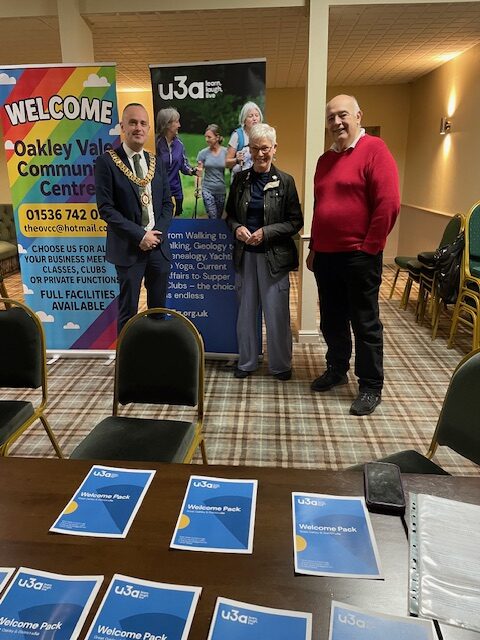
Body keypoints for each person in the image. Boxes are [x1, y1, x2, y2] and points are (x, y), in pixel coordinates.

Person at [306, 94, 400, 416]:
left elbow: (389, 204)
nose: (337, 122)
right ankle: (336, 369)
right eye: (331, 117)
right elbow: (320, 208)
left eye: (342, 115)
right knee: (332, 320)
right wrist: (314, 247)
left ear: (358, 116)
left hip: (359, 256)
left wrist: (370, 247)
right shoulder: (325, 160)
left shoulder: (375, 150)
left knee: (364, 322)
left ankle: (370, 385)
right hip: (326, 257)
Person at [226, 123, 303, 380]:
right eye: (255, 148)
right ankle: (247, 362)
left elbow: (295, 222)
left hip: (274, 259)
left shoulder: (286, 181)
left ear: (274, 148)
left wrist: (266, 232)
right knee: (246, 313)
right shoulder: (240, 180)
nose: (260, 154)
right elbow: (230, 216)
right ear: (249, 149)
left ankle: (281, 365)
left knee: (277, 314)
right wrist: (237, 228)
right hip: (245, 257)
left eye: (265, 148)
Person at [95, 103, 173, 333]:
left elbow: (167, 204)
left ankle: (155, 351)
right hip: (128, 248)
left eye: (142, 123)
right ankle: (128, 356)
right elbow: (106, 209)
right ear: (122, 127)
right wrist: (140, 236)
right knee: (128, 312)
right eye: (132, 123)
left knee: (158, 311)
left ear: (148, 128)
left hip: (158, 248)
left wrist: (155, 236)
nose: (138, 128)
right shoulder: (107, 162)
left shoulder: (156, 162)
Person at [155, 107, 198, 216]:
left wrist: (193, 171)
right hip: (160, 191)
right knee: (162, 220)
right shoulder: (156, 144)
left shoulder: (179, 144)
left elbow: (183, 165)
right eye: (177, 122)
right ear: (167, 124)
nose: (179, 125)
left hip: (176, 191)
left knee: (176, 220)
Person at [225, 101, 263, 181]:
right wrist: (236, 160)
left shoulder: (263, 135)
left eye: (257, 115)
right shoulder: (237, 135)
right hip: (240, 181)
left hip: (258, 179)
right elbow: (226, 163)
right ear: (244, 119)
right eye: (250, 116)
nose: (254, 119)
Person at [196, 124, 227, 219]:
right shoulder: (203, 153)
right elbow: (198, 172)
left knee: (218, 218)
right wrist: (198, 188)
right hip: (207, 190)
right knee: (213, 216)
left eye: (209, 137)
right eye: (205, 137)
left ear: (217, 137)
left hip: (221, 190)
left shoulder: (226, 152)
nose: (207, 139)